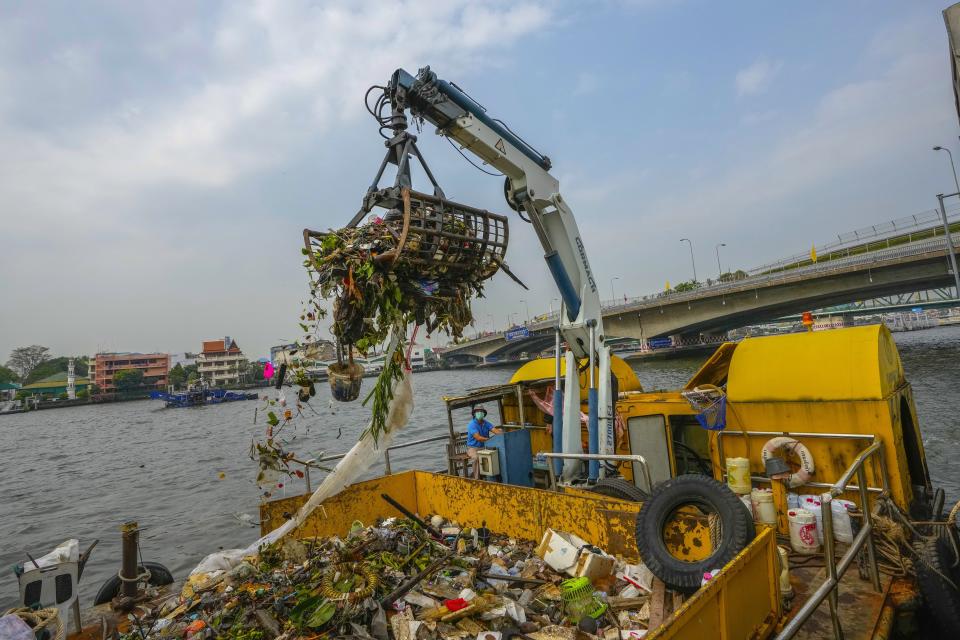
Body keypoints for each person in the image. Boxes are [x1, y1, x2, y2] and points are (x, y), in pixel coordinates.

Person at [466, 405, 501, 479]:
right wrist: (490, 439)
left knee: (496, 454)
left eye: (481, 412)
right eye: (477, 412)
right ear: (474, 414)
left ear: (484, 414)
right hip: (473, 448)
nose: (479, 413)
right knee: (476, 458)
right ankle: (477, 479)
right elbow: (478, 438)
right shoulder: (472, 424)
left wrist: (502, 434)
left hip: (484, 447)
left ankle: (492, 477)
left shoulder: (486, 423)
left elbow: (495, 430)